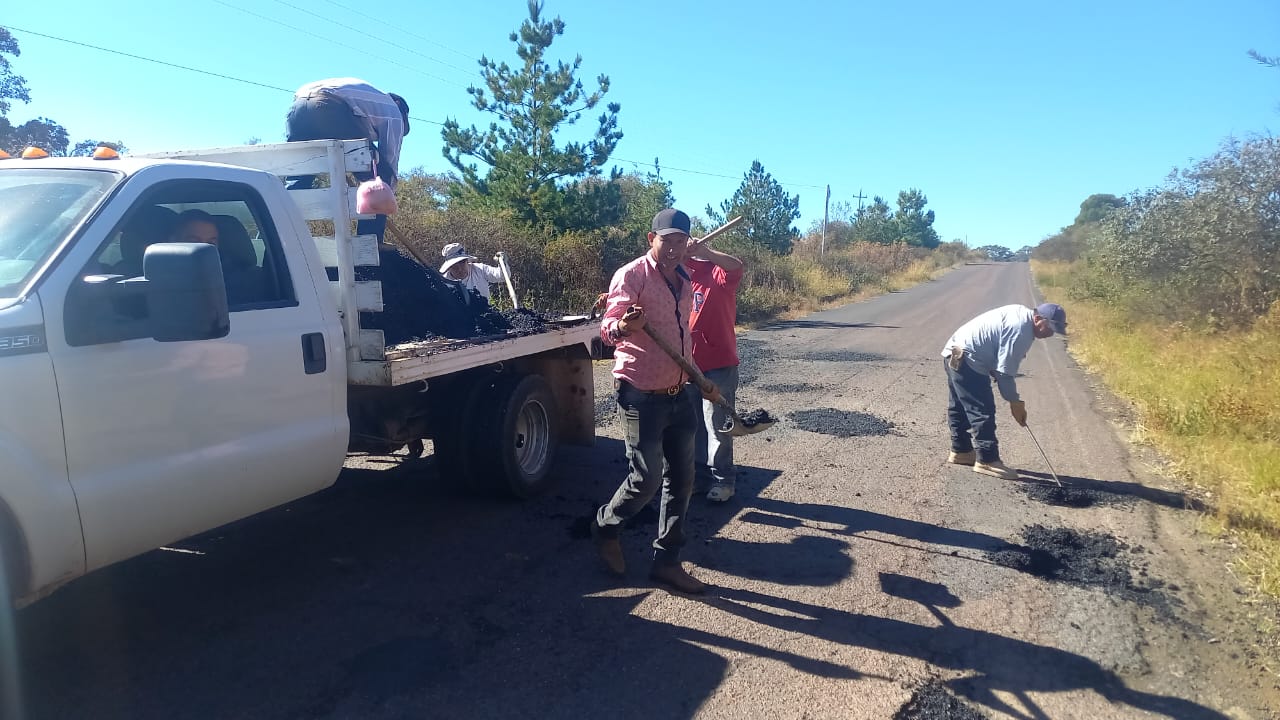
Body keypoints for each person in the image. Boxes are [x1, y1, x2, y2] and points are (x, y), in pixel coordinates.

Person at [591, 208, 713, 594]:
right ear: (651, 239)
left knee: (683, 480)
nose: (673, 247)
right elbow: (607, 329)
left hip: (681, 390)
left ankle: (667, 562)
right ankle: (605, 526)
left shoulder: (685, 276)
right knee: (646, 478)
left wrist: (700, 379)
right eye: (667, 240)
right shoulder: (632, 275)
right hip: (641, 394)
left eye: (680, 240)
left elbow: (681, 338)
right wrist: (623, 325)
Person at [941, 303, 1068, 479]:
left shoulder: (1021, 315)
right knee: (982, 410)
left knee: (959, 405)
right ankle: (987, 460)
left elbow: (998, 349)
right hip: (969, 358)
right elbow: (1005, 374)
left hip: (954, 352)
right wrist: (1015, 401)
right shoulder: (1021, 331)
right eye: (1050, 328)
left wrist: (996, 368)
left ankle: (961, 451)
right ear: (1038, 319)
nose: (1050, 334)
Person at [284, 77, 410, 240]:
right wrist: (384, 197)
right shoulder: (394, 111)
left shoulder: (367, 102)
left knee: (300, 176)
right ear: (402, 109)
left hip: (297, 107)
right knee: (380, 177)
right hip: (328, 106)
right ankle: (369, 241)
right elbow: (390, 159)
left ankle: (276, 235)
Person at [686, 239, 745, 502]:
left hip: (719, 364)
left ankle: (724, 481)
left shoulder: (718, 272)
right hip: (687, 364)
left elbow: (736, 266)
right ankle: (698, 479)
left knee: (717, 426)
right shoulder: (679, 273)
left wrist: (705, 251)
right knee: (692, 426)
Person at [439, 243, 505, 302]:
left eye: (462, 262)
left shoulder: (480, 269)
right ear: (449, 268)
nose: (459, 269)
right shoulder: (444, 284)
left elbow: (502, 276)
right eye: (454, 266)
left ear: (467, 261)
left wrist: (502, 262)